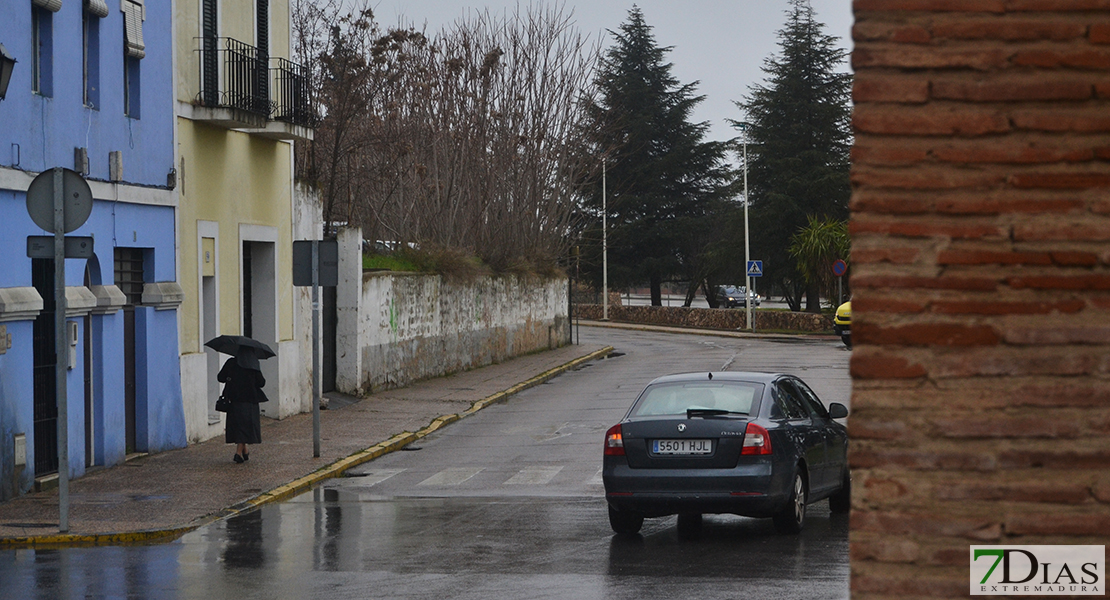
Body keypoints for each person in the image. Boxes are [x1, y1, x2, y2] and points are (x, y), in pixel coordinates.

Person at [218, 348, 267, 463]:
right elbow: (261, 383)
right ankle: (238, 453)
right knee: (245, 427)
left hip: (233, 400)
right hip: (249, 401)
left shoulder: (231, 363)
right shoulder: (253, 365)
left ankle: (245, 451)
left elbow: (220, 377)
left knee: (238, 426)